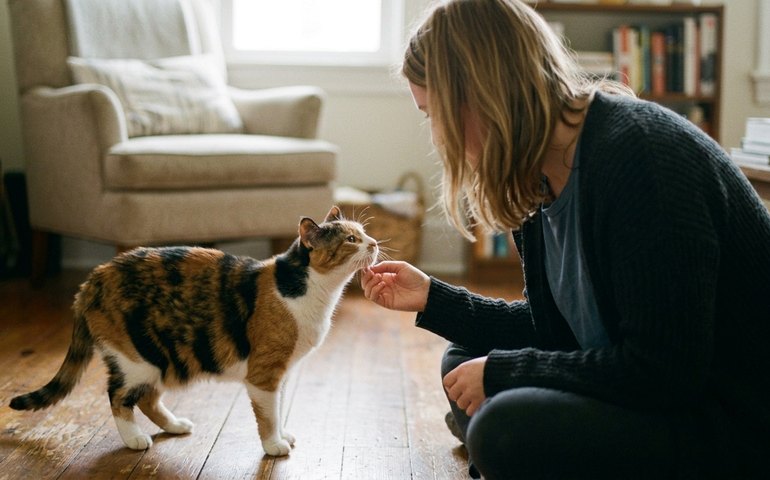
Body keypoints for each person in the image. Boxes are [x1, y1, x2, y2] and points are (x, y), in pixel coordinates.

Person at [360, 0, 770, 478]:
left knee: (503, 425)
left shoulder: (641, 158)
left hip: (727, 419)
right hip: (651, 388)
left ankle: (509, 445)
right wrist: (434, 298)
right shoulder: (539, 172)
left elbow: (665, 372)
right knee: (463, 355)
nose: (435, 134)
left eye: (435, 113)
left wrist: (507, 375)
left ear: (480, 95)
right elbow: (556, 326)